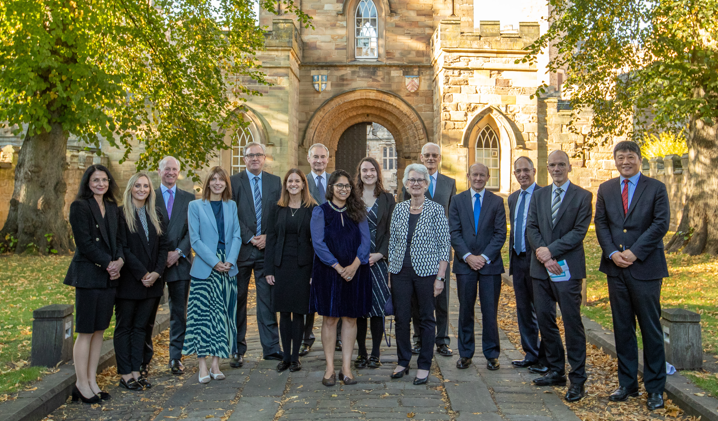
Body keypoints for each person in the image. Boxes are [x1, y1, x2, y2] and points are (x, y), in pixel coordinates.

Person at [594, 141, 669, 411]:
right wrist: (613, 252)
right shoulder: (606, 189)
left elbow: (660, 223)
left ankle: (655, 388)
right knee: (623, 328)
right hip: (615, 268)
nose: (625, 161)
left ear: (639, 159)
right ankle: (627, 384)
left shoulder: (656, 188)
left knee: (650, 329)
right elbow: (601, 223)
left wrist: (634, 253)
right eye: (620, 157)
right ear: (615, 160)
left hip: (645, 268)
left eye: (630, 157)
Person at [526, 150, 592, 403]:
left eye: (561, 164)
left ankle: (578, 379)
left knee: (572, 323)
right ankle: (556, 370)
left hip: (567, 268)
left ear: (569, 167)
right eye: (552, 165)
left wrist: (551, 251)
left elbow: (579, 232)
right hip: (540, 269)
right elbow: (531, 226)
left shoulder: (583, 197)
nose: (556, 169)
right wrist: (544, 257)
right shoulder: (539, 194)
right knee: (544, 320)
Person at [64, 164, 124, 404]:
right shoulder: (79, 207)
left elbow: (118, 239)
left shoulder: (112, 207)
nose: (101, 183)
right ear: (87, 182)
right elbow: (85, 243)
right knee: (86, 330)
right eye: (96, 180)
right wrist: (108, 263)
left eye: (104, 180)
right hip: (89, 274)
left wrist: (119, 261)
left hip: (109, 276)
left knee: (100, 330)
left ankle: (91, 380)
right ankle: (80, 383)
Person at [389, 163, 450, 385]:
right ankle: (403, 360)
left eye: (420, 180)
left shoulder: (436, 209)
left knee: (426, 318)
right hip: (400, 271)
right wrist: (390, 273)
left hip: (427, 273)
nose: (415, 184)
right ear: (405, 184)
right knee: (402, 318)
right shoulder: (399, 209)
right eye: (411, 180)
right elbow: (393, 242)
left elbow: (445, 245)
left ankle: (424, 364)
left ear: (426, 184)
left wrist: (440, 277)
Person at [310, 170, 371, 386]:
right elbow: (318, 243)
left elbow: (366, 242)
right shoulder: (321, 211)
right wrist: (337, 267)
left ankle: (346, 367)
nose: (344, 189)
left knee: (350, 318)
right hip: (328, 272)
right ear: (331, 188)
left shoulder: (358, 211)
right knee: (330, 318)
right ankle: (329, 368)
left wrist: (354, 266)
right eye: (339, 186)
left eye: (347, 186)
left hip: (355, 272)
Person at [183, 167, 242, 384]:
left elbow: (236, 235)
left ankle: (216, 364)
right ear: (208, 183)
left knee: (222, 316)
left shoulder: (231, 206)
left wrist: (230, 261)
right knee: (202, 317)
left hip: (228, 266)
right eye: (214, 179)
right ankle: (202, 366)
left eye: (222, 180)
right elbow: (195, 239)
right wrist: (215, 261)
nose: (217, 183)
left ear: (227, 184)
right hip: (205, 267)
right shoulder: (195, 206)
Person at [230, 142, 283, 367]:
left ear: (264, 158)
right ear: (244, 159)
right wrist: (250, 236)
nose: (254, 159)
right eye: (250, 155)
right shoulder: (233, 182)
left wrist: (267, 236)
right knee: (238, 301)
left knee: (268, 302)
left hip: (266, 251)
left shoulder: (275, 182)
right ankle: (236, 350)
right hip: (241, 250)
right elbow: (231, 212)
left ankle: (271, 348)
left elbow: (279, 212)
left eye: (258, 155)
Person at [449, 163, 506, 371]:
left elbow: (500, 234)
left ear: (488, 177)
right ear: (468, 176)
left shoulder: (497, 202)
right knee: (465, 310)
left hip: (490, 265)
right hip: (465, 266)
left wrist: (483, 257)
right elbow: (454, 232)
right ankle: (465, 354)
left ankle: (492, 354)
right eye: (475, 174)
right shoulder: (457, 201)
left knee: (490, 311)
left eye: (483, 175)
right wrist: (467, 257)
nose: (479, 178)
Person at [115, 172, 168, 391]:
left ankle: (137, 370)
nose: (142, 189)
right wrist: (142, 273)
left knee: (141, 329)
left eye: (146, 186)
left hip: (153, 283)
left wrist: (156, 272)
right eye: (137, 185)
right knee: (125, 327)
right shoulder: (120, 215)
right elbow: (122, 247)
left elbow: (164, 246)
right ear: (130, 188)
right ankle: (125, 373)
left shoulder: (155, 214)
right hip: (130, 281)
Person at [402, 143, 456, 358]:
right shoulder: (409, 183)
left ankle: (442, 340)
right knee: (418, 299)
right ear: (421, 157)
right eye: (427, 155)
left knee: (441, 298)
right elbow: (405, 214)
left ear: (439, 158)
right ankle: (418, 339)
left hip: (440, 250)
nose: (431, 158)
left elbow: (452, 215)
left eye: (435, 155)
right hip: (417, 251)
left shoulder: (449, 183)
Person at [142, 156, 194, 377]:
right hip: (154, 263)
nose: (171, 172)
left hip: (180, 262)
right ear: (159, 171)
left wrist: (179, 252)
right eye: (167, 169)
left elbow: (194, 230)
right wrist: (161, 256)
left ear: (179, 172)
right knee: (147, 312)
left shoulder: (189, 199)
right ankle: (143, 360)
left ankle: (175, 356)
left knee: (178, 312)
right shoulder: (148, 197)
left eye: (174, 169)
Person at [264, 169, 317, 373]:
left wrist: (314, 272)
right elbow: (271, 240)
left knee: (299, 312)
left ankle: (296, 358)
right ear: (285, 185)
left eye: (297, 181)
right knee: (284, 312)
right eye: (290, 181)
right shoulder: (277, 208)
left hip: (304, 266)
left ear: (304, 184)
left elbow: (317, 243)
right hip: (281, 265)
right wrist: (269, 269)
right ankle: (285, 356)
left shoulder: (312, 208)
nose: (293, 184)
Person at [508, 157, 549, 374]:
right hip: (518, 259)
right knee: (524, 310)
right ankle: (531, 353)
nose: (522, 174)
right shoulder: (513, 198)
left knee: (541, 310)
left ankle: (545, 357)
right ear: (514, 174)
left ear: (534, 170)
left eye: (526, 170)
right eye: (518, 171)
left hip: (537, 261)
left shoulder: (543, 195)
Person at [354, 157, 395, 369]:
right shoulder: (352, 198)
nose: (368, 173)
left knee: (377, 307)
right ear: (359, 173)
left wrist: (381, 254)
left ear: (378, 173)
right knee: (360, 308)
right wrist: (357, 256)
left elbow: (391, 230)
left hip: (379, 261)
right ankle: (361, 352)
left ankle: (376, 353)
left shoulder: (388, 199)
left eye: (372, 170)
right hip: (357, 261)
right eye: (364, 170)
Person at [304, 143, 340, 354]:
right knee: (309, 294)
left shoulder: (335, 182)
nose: (319, 161)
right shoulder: (303, 182)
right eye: (315, 157)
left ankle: (336, 338)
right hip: (308, 247)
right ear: (309, 159)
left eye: (322, 157)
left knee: (335, 291)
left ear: (328, 160)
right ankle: (306, 337)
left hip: (334, 246)